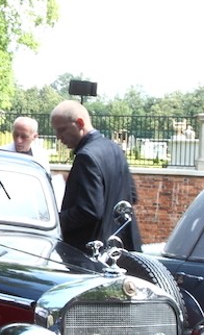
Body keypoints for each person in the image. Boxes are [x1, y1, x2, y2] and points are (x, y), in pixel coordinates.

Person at [50, 100, 142, 251]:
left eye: (62, 130)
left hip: (93, 253)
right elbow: (131, 195)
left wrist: (54, 220)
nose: (58, 137)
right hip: (122, 247)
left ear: (79, 123)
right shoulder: (115, 148)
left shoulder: (86, 157)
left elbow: (88, 210)